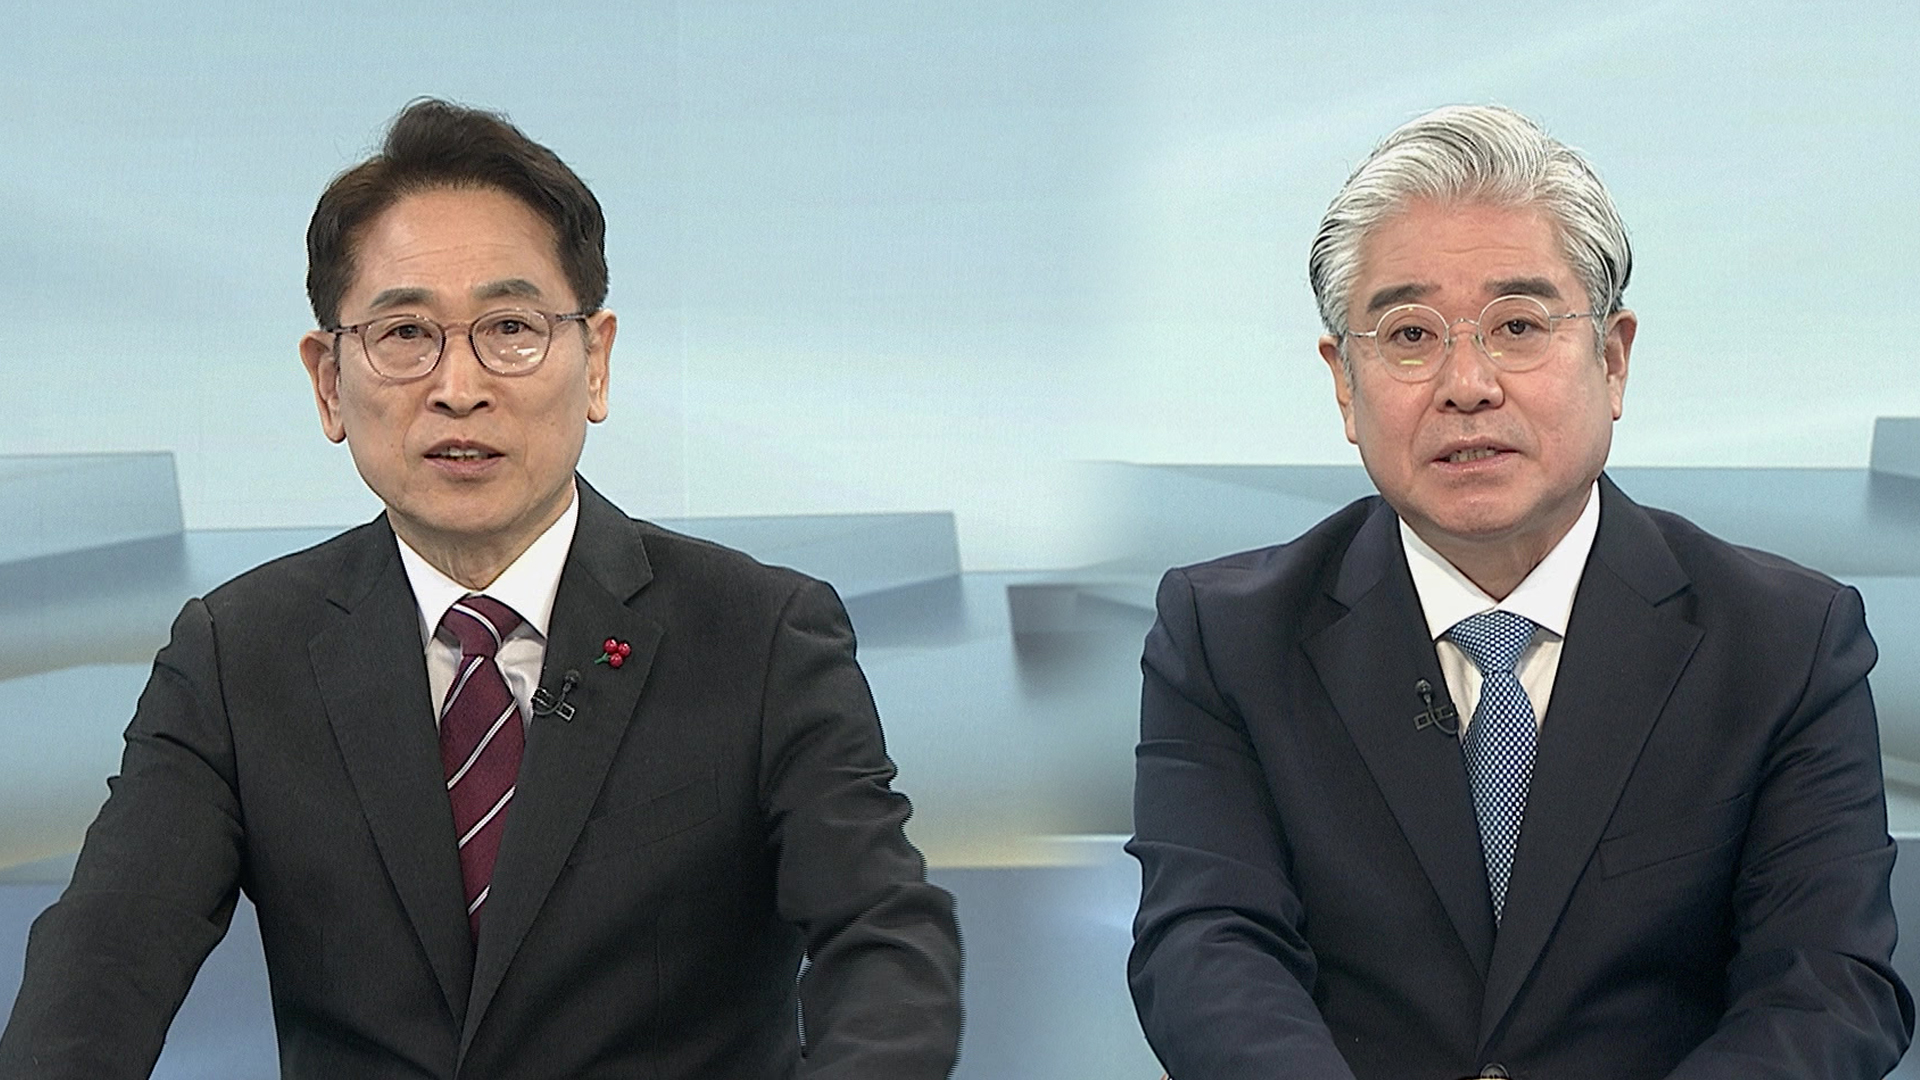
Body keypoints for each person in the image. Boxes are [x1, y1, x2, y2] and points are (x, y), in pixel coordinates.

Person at [0, 99, 961, 1079]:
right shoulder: (239, 655)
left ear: (596, 362)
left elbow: (883, 943)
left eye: (510, 328)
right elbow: (101, 965)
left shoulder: (758, 635)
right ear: (328, 382)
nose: (459, 386)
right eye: (405, 333)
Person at [1127, 104, 1913, 1079]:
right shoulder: (1226, 638)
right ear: (1344, 383)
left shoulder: (1785, 641)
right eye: (1409, 334)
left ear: (1613, 359)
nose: (1467, 383)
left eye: (1518, 327)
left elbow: (1828, 986)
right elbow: (1208, 948)